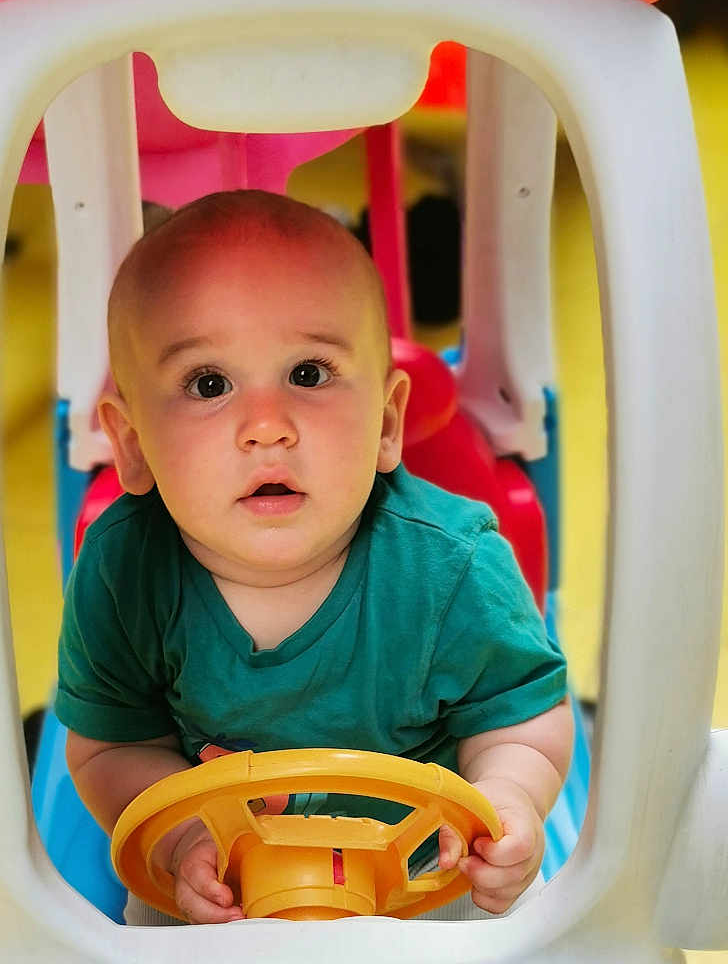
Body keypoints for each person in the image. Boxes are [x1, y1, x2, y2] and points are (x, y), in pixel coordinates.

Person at [56, 190, 572, 924]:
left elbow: (522, 720)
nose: (267, 427)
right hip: (219, 880)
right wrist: (178, 842)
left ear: (388, 423)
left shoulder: (452, 568)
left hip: (432, 874)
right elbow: (111, 747)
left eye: (308, 375)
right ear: (132, 445)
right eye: (210, 384)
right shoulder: (123, 571)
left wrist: (510, 798)